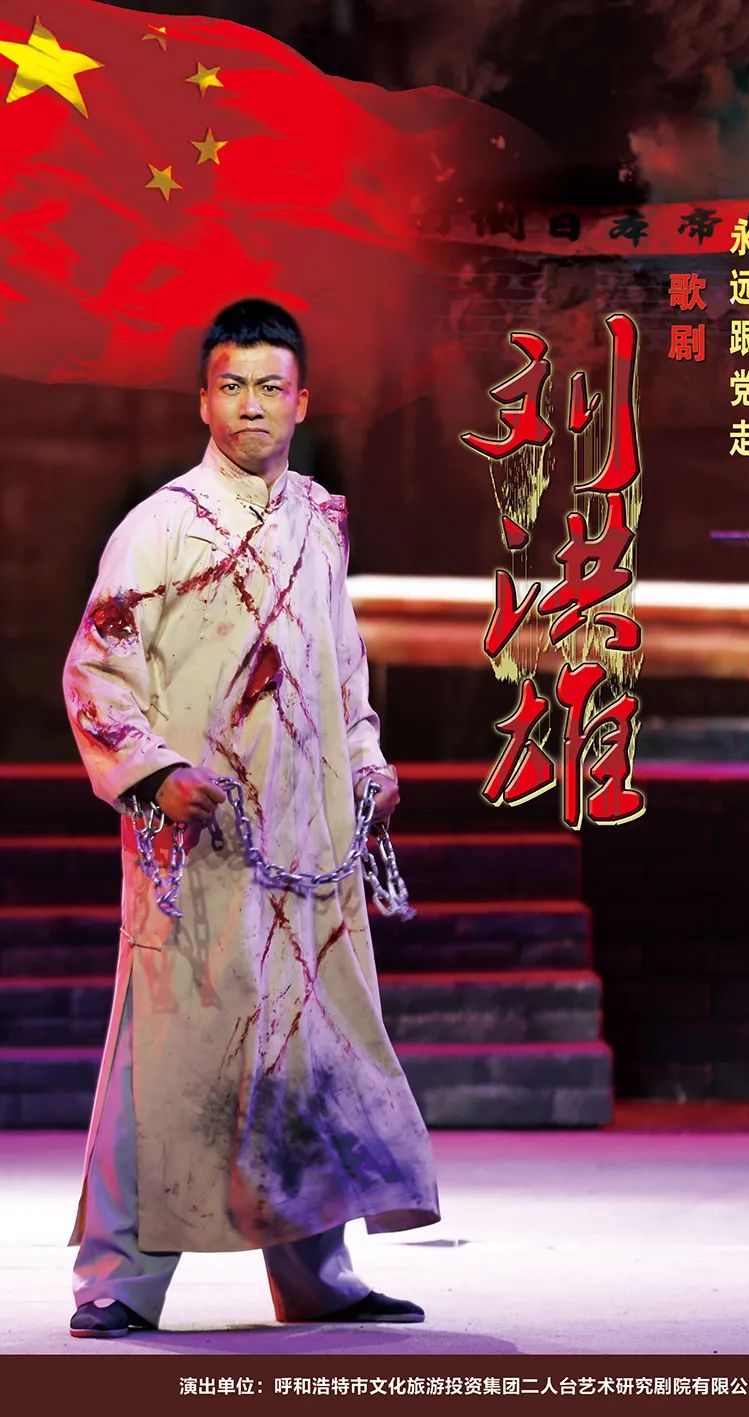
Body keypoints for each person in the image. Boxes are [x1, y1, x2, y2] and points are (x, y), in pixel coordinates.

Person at [63, 298, 440, 1339]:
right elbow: (97, 669)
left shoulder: (317, 521)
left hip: (306, 838)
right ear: (204, 398)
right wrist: (156, 773)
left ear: (301, 400)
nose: (252, 406)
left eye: (271, 387)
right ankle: (117, 1282)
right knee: (163, 1054)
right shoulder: (162, 525)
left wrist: (366, 765)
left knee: (303, 1045)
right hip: (201, 835)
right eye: (232, 386)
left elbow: (342, 667)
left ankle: (316, 1276)